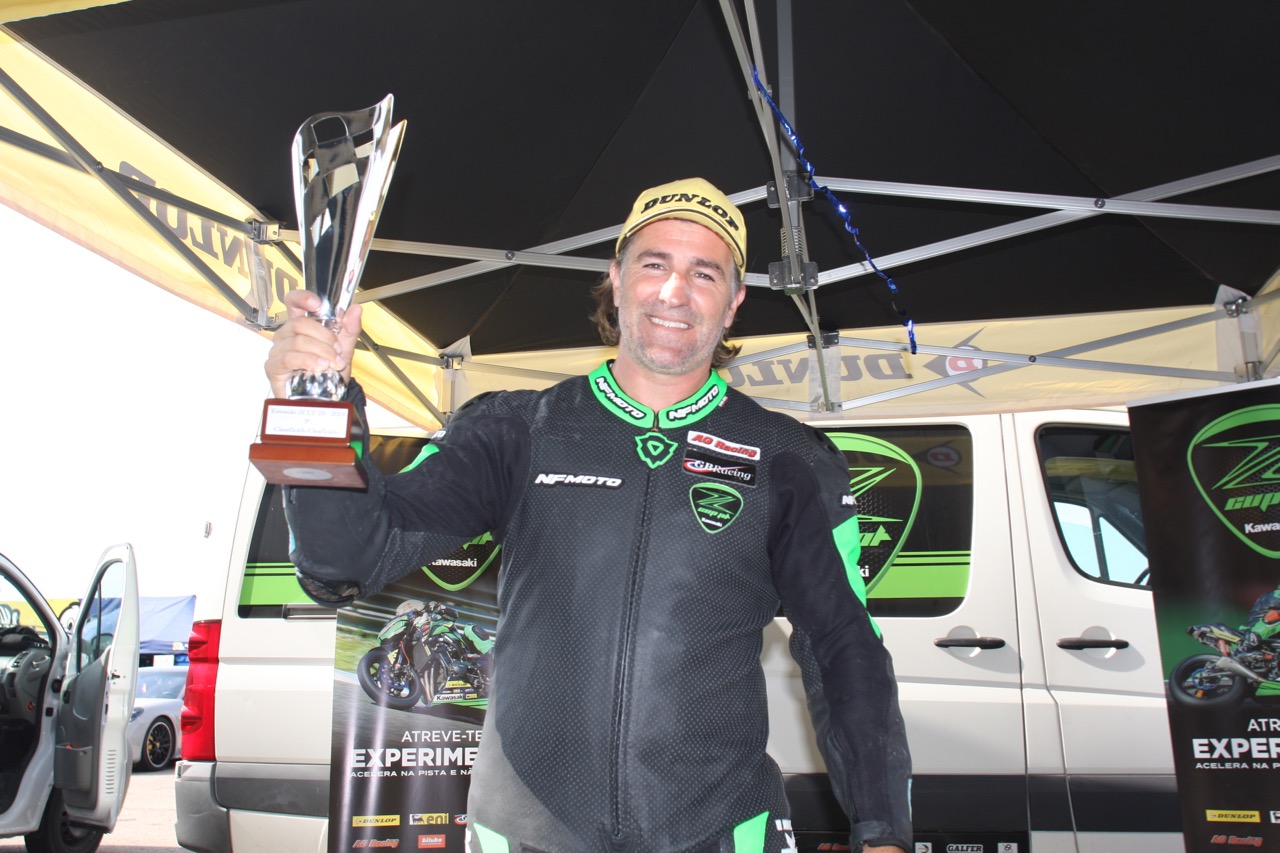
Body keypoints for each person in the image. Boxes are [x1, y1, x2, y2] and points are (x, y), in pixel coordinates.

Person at [266, 177, 912, 853]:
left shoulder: (789, 459)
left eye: (705, 273)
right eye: (654, 264)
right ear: (616, 278)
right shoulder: (515, 429)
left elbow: (845, 646)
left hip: (720, 832)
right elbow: (343, 562)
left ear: (733, 303)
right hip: (526, 831)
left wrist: (883, 831)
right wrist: (311, 409)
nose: (674, 292)